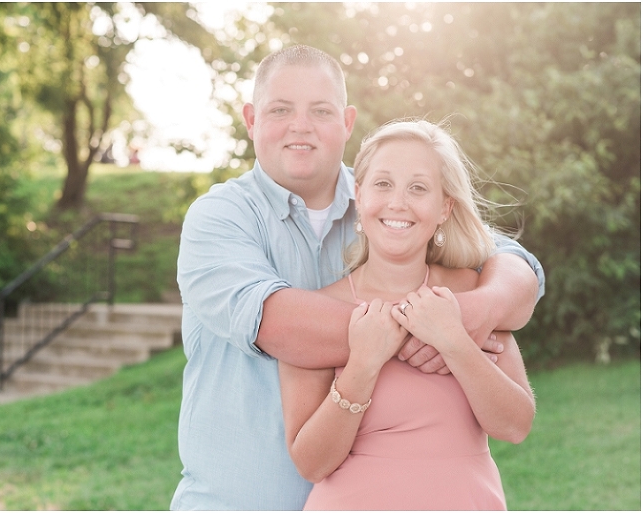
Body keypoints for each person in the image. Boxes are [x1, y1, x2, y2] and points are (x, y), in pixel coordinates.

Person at [172, 44, 544, 511]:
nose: (300, 126)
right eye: (281, 109)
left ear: (347, 122)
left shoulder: (386, 199)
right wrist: (423, 327)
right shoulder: (218, 218)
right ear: (250, 118)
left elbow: (514, 264)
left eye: (321, 111)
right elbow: (282, 326)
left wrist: (467, 318)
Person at [279, 119, 536, 510]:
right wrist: (363, 364)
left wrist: (455, 342)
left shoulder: (472, 294)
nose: (398, 202)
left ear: (444, 208)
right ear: (359, 196)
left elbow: (515, 426)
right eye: (383, 184)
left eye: (418, 188)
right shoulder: (317, 311)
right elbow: (311, 464)